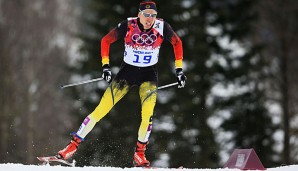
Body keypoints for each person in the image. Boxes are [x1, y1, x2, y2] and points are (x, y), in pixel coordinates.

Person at [56, 0, 186, 167]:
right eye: (146, 15)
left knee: (147, 116)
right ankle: (71, 147)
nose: (150, 19)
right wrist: (105, 66)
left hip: (149, 75)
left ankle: (139, 154)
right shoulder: (129, 25)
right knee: (100, 110)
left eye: (153, 15)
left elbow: (177, 43)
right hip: (126, 74)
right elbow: (105, 41)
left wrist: (179, 70)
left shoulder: (162, 27)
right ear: (139, 14)